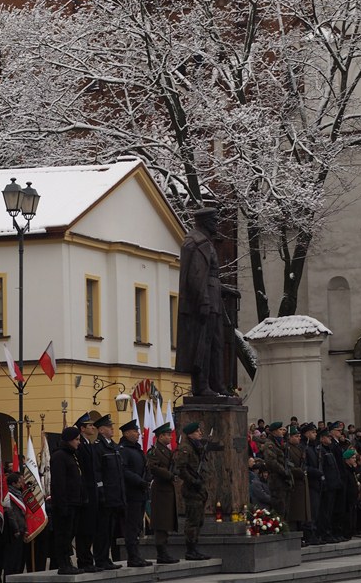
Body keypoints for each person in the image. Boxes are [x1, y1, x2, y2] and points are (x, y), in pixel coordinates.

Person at [175, 207, 226, 396]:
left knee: (217, 344)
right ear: (205, 222)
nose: (217, 225)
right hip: (204, 301)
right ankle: (202, 386)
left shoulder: (206, 242)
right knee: (203, 345)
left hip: (213, 298)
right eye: (214, 221)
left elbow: (209, 275)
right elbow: (196, 277)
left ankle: (218, 384)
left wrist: (225, 290)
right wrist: (203, 300)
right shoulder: (196, 242)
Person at [50, 426, 88, 575]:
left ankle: (68, 562)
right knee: (63, 535)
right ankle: (63, 564)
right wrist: (62, 505)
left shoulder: (72, 455)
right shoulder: (59, 456)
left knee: (69, 534)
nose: (79, 442)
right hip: (65, 504)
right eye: (77, 439)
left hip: (75, 502)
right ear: (69, 440)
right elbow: (59, 484)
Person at [92, 414, 126, 570]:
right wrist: (102, 492)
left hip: (116, 495)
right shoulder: (98, 447)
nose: (112, 428)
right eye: (108, 426)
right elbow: (97, 472)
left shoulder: (114, 446)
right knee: (102, 530)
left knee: (110, 529)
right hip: (106, 496)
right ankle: (100, 559)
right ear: (100, 430)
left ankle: (106, 558)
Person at [173, 422, 209, 561]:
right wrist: (192, 481)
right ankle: (190, 550)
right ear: (190, 434)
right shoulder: (185, 448)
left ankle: (195, 548)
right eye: (197, 431)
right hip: (191, 489)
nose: (200, 433)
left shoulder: (196, 447)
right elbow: (181, 469)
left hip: (199, 489)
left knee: (199, 520)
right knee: (192, 521)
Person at [118, 419, 151, 568]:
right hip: (131, 494)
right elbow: (124, 471)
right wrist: (139, 481)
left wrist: (147, 479)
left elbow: (144, 468)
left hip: (141, 493)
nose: (138, 433)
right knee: (131, 526)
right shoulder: (124, 450)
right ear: (126, 433)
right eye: (135, 431)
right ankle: (133, 556)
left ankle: (137, 555)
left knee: (137, 526)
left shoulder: (136, 449)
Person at [146, 423, 179, 564]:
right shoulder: (154, 451)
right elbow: (153, 467)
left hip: (167, 490)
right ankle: (161, 553)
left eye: (170, 434)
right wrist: (169, 475)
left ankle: (164, 551)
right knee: (161, 522)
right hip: (160, 490)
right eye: (167, 435)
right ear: (160, 437)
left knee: (166, 522)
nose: (169, 437)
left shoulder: (166, 450)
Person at [73, 412, 99, 572]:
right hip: (85, 493)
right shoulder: (80, 445)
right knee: (84, 529)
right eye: (89, 425)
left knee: (90, 528)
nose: (92, 427)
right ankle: (84, 561)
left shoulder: (88, 443)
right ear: (82, 428)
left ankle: (88, 560)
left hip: (92, 491)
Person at [262, 422, 292, 521]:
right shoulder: (270, 445)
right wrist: (284, 472)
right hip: (276, 480)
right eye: (280, 430)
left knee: (285, 508)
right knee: (279, 508)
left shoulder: (280, 444)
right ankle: (278, 529)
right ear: (274, 431)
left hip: (283, 480)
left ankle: (284, 528)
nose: (282, 432)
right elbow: (271, 462)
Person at [286, 427, 310, 536]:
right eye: (296, 436)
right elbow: (288, 465)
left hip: (301, 482)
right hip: (294, 482)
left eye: (299, 436)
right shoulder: (287, 449)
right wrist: (299, 471)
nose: (299, 438)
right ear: (290, 437)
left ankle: (301, 534)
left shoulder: (300, 448)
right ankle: (294, 535)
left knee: (301, 513)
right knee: (294, 512)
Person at [3, 471, 27, 577]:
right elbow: (11, 513)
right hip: (14, 531)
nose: (21, 483)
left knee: (18, 559)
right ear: (13, 483)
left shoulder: (18, 493)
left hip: (21, 528)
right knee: (12, 559)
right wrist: (16, 529)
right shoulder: (10, 495)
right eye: (19, 482)